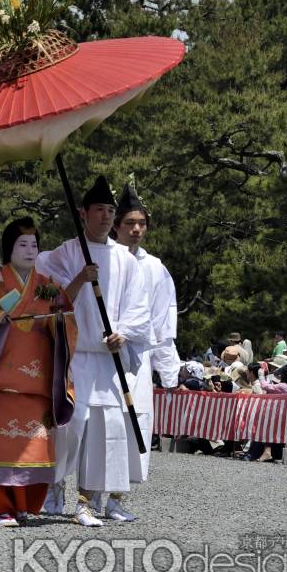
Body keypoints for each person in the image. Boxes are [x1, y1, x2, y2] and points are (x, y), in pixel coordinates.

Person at [36, 176, 152, 526]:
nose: (105, 217)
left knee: (109, 429)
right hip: (75, 356)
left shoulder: (126, 261)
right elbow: (46, 301)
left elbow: (138, 308)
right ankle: (54, 485)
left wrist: (125, 334)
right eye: (99, 210)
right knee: (72, 425)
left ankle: (88, 501)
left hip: (108, 360)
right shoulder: (65, 253)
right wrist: (79, 279)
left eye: (109, 211)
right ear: (82, 213)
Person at [0, 218, 77, 527]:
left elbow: (67, 320)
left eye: (34, 244)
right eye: (22, 244)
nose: (30, 249)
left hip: (36, 382)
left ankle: (23, 504)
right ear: (9, 248)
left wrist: (56, 320)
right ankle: (0, 507)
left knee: (31, 449)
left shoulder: (48, 287)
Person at [109, 182, 180, 505]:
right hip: (103, 352)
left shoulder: (155, 268)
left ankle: (118, 496)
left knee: (134, 422)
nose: (136, 230)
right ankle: (76, 491)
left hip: (139, 355)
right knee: (98, 423)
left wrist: (169, 370)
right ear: (116, 225)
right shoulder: (103, 259)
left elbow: (164, 320)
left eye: (142, 224)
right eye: (129, 223)